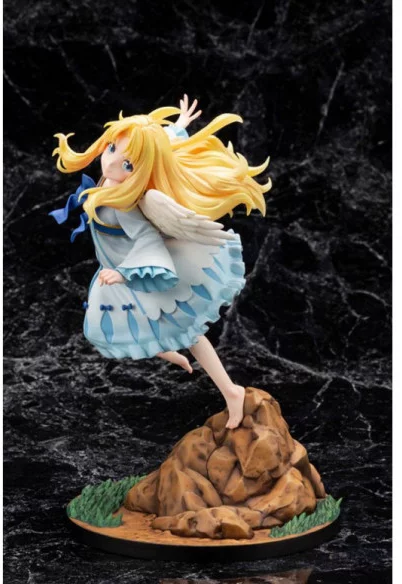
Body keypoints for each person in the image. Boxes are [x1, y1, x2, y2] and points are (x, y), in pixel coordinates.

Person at [50, 95, 271, 429]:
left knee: (186, 331)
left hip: (140, 268)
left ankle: (231, 391)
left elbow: (147, 240)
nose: (111, 164)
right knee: (105, 327)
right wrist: (178, 126)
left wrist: (125, 274)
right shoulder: (115, 179)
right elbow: (156, 145)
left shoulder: (125, 204)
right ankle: (169, 349)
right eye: (112, 149)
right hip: (116, 268)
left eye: (127, 165)